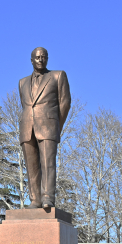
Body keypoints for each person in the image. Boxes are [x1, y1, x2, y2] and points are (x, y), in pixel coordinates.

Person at [18, 47, 71, 208]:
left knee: (48, 163)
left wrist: (56, 125)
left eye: (44, 57)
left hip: (48, 125)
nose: (40, 59)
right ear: (31, 60)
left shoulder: (57, 76)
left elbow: (65, 103)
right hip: (27, 127)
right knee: (31, 166)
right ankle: (35, 199)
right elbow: (26, 106)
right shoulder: (22, 82)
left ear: (47, 59)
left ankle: (48, 197)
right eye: (37, 57)